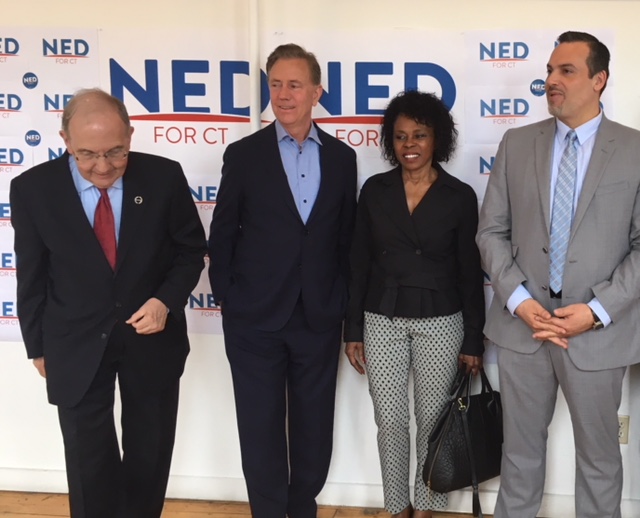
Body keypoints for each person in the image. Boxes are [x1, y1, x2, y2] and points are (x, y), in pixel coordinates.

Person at [11, 88, 207, 518]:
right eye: (87, 154)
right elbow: (32, 275)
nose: (103, 167)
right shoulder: (32, 189)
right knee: (88, 462)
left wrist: (165, 301)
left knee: (149, 454)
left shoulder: (163, 177)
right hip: (73, 342)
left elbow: (191, 250)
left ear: (130, 135)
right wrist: (38, 348)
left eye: (116, 152)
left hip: (151, 341)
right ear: (65, 140)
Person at [476, 31, 640, 518]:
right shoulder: (517, 142)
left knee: (599, 460)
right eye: (549, 70)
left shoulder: (634, 149)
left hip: (598, 333)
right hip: (522, 329)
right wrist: (518, 300)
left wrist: (596, 311)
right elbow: (491, 232)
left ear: (599, 79)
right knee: (518, 456)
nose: (551, 80)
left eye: (566, 71)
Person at [208, 44, 357, 518]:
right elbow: (222, 233)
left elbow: (346, 240)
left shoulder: (342, 158)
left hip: (318, 316)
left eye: (294, 85)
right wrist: (230, 299)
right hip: (254, 319)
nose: (284, 94)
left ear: (316, 92)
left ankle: (302, 509)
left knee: (315, 429)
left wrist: (341, 304)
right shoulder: (244, 155)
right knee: (260, 429)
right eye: (275, 84)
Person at [344, 90, 485, 518]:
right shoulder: (375, 190)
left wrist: (473, 339)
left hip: (442, 320)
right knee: (389, 421)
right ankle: (396, 506)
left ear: (436, 139)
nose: (410, 144)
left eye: (419, 135)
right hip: (381, 317)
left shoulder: (459, 195)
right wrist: (353, 329)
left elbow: (469, 272)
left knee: (433, 420)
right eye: (401, 136)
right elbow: (358, 263)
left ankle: (426, 506)